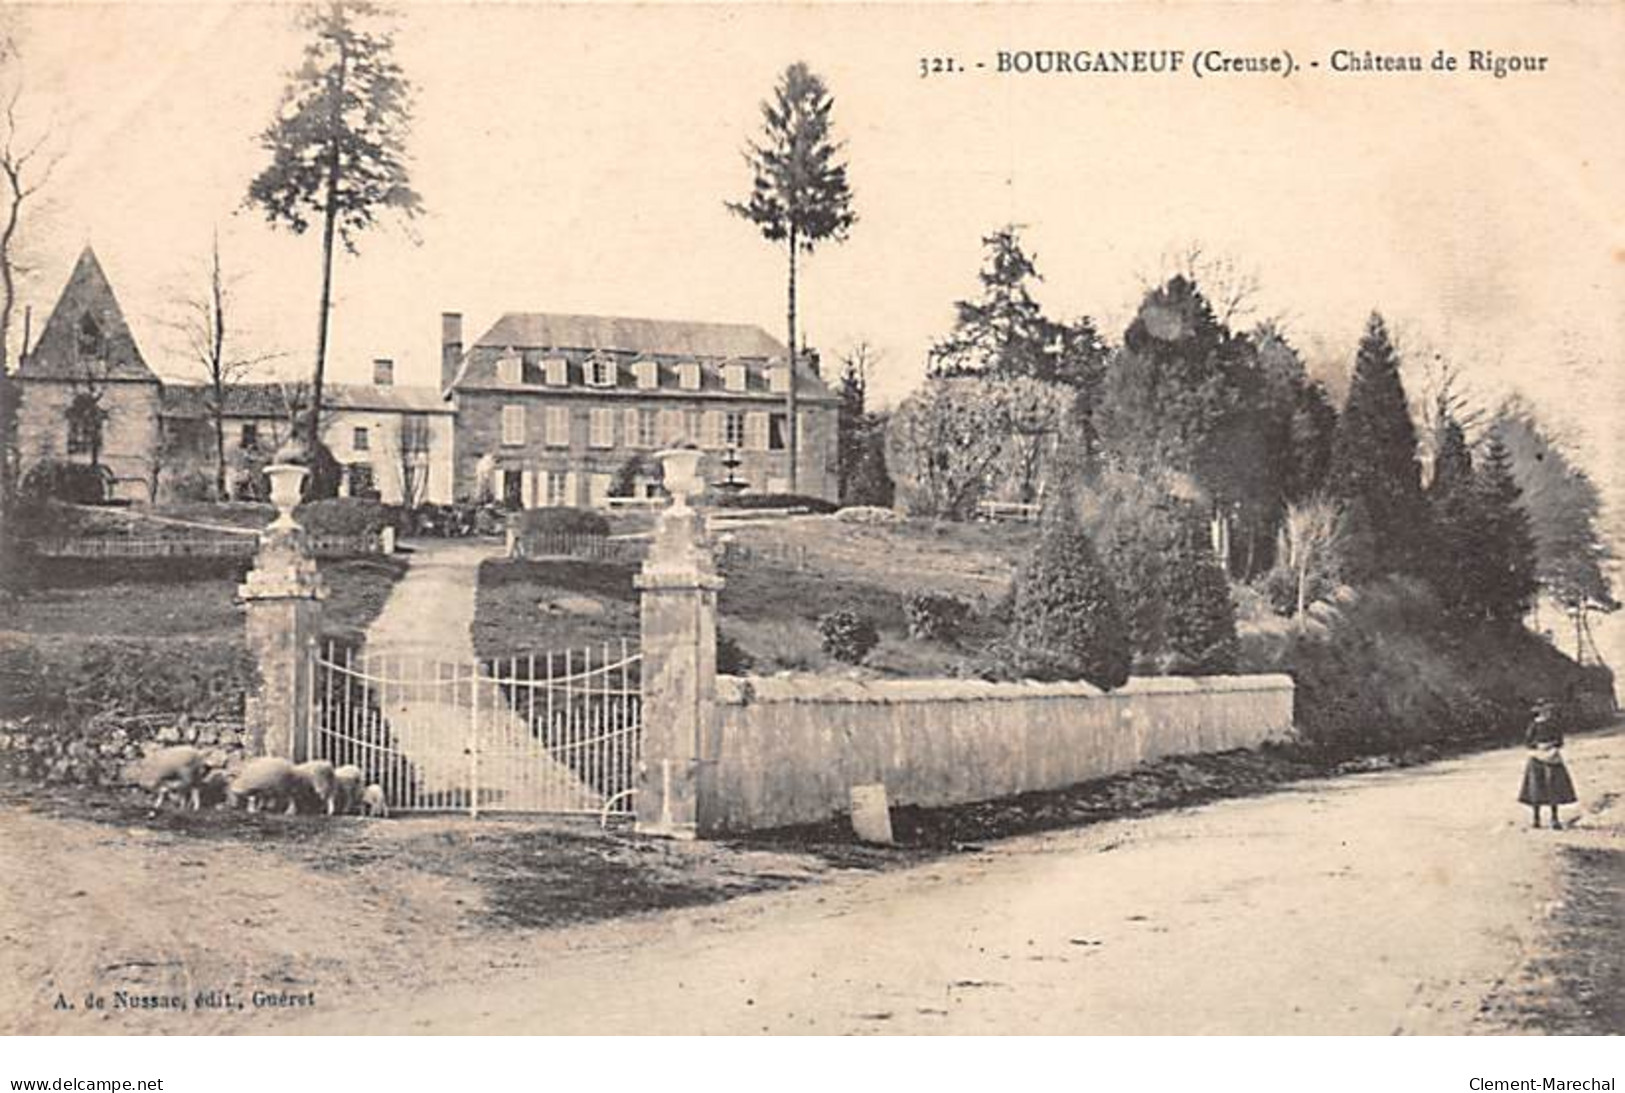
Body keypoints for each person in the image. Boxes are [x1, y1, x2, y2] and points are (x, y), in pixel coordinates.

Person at [1518, 699, 1578, 829]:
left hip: (1552, 757)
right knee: (1536, 788)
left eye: (1549, 710)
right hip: (1537, 758)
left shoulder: (1554, 724)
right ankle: (1536, 819)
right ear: (1540, 712)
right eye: (1544, 710)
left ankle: (1554, 819)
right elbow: (1527, 742)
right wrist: (1538, 746)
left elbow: (1560, 741)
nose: (1548, 713)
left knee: (1553, 787)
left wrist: (1552, 745)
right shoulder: (1533, 725)